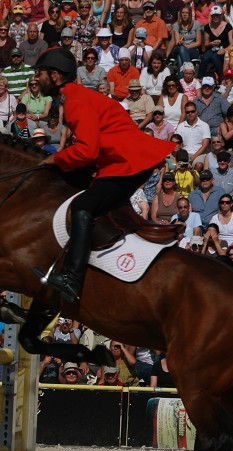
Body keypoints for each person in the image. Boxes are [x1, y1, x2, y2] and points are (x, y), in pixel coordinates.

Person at [32, 48, 174, 303]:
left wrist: (57, 158)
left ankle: (72, 280)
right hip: (124, 162)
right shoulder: (76, 97)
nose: (35, 79)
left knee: (82, 206)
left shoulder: (75, 101)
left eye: (39, 73)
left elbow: (86, 150)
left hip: (127, 163)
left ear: (54, 76)